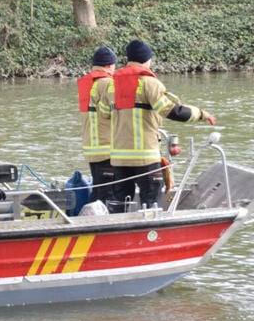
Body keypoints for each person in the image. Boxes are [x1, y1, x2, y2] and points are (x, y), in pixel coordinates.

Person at [109, 40, 216, 210]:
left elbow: (106, 114)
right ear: (147, 59)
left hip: (119, 158)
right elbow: (172, 111)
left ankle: (114, 233)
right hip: (145, 156)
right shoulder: (149, 83)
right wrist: (202, 114)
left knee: (119, 203)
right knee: (150, 204)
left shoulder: (112, 84)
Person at [78, 45, 118, 203]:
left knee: (98, 189)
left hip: (91, 149)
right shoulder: (108, 84)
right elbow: (114, 112)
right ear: (109, 65)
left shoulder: (86, 83)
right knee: (107, 194)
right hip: (107, 148)